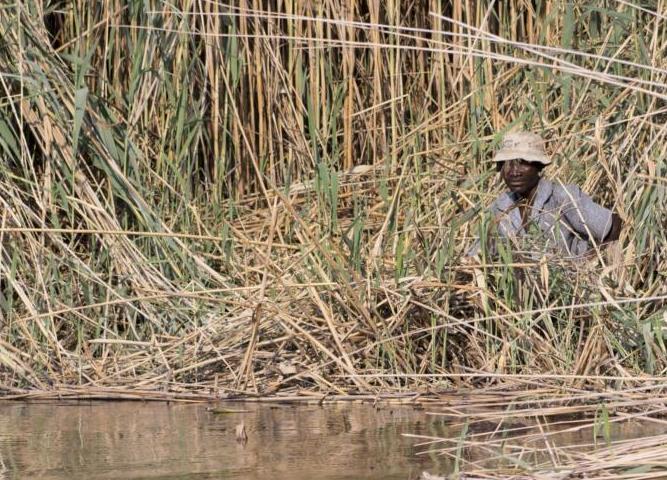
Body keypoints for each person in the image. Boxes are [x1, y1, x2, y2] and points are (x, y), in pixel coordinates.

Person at [469, 131, 621, 259]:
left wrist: (588, 262)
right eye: (507, 163)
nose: (513, 171)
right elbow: (478, 252)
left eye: (522, 162)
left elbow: (613, 224)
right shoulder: (500, 207)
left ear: (538, 166)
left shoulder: (562, 196)